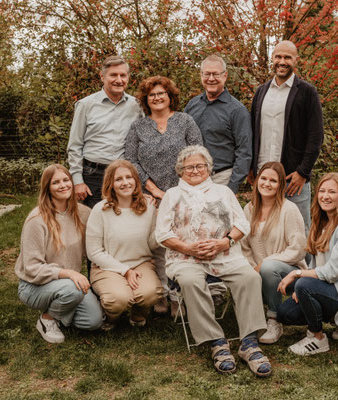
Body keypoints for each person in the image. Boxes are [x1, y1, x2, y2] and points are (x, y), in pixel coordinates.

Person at [156, 145, 271, 377]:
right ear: (180, 171)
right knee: (189, 281)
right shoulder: (172, 195)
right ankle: (217, 342)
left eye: (200, 166)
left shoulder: (223, 192)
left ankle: (249, 342)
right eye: (189, 167)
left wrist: (225, 242)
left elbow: (243, 224)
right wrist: (188, 247)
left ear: (209, 168)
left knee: (249, 277)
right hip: (185, 258)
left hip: (225, 254)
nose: (195, 170)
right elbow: (162, 234)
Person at [125, 76, 203, 314]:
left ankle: (179, 295)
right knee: (157, 245)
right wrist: (153, 190)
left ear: (170, 97)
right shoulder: (138, 126)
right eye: (152, 95)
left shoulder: (185, 121)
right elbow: (131, 160)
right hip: (150, 195)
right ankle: (161, 292)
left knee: (181, 243)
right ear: (146, 100)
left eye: (161, 93)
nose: (157, 98)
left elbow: (198, 154)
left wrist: (181, 189)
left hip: (184, 193)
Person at [276, 172, 338, 355]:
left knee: (302, 283)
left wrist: (297, 275)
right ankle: (333, 321)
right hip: (329, 288)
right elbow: (316, 264)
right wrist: (302, 287)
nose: (325, 196)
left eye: (332, 192)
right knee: (285, 313)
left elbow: (332, 272)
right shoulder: (322, 221)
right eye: (322, 191)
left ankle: (317, 338)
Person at [15, 164, 102, 344]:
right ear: (47, 188)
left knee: (93, 321)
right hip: (34, 285)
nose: (63, 185)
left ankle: (62, 307)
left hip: (70, 284)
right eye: (56, 182)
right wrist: (68, 273)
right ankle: (47, 319)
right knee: (73, 290)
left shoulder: (83, 213)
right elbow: (32, 268)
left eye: (66, 180)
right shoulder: (36, 220)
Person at [250, 40, 324, 231]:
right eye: (278, 57)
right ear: (272, 59)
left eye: (287, 57)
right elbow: (252, 131)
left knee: (298, 231)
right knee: (262, 230)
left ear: (296, 61)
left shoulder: (307, 92)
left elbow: (315, 136)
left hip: (293, 179)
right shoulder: (261, 92)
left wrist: (303, 172)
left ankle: (303, 263)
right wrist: (251, 170)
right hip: (263, 177)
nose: (282, 61)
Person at [86, 160, 164, 330]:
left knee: (151, 292)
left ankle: (138, 314)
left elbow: (151, 244)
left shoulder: (148, 207)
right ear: (111, 184)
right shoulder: (100, 210)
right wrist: (125, 271)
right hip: (107, 266)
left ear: (136, 181)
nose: (125, 182)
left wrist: (163, 227)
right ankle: (111, 317)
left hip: (141, 263)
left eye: (129, 177)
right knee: (118, 299)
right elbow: (94, 252)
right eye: (119, 179)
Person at [241, 162, 308, 344]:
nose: (267, 184)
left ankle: (274, 319)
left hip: (289, 269)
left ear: (280, 185)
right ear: (256, 181)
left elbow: (298, 248)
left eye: (273, 180)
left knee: (269, 267)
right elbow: (244, 246)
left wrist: (265, 263)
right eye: (263, 178)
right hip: (257, 269)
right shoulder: (249, 209)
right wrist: (252, 267)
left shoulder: (289, 210)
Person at [67, 55, 142, 209]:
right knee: (94, 223)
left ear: (128, 77)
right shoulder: (86, 105)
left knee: (123, 220)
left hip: (124, 175)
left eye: (123, 75)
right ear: (102, 76)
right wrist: (77, 181)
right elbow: (75, 145)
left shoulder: (137, 105)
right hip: (93, 174)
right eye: (113, 75)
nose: (119, 80)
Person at [184, 54, 252, 193]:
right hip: (192, 178)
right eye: (207, 74)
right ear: (201, 75)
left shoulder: (237, 111)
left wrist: (232, 187)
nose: (211, 79)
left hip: (221, 179)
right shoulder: (192, 105)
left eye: (216, 74)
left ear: (225, 75)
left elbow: (244, 151)